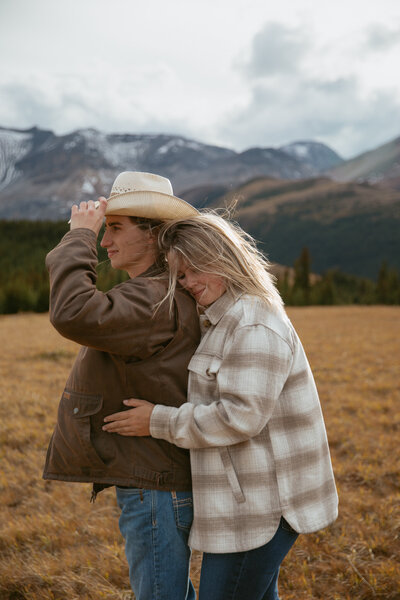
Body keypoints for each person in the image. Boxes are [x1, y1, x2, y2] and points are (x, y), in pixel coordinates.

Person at [103, 212, 339, 600]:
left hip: (264, 507)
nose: (190, 283)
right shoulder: (222, 317)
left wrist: (156, 421)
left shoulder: (252, 325)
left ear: (225, 260)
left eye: (198, 270)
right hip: (245, 503)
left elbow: (239, 417)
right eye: (181, 275)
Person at [43, 171, 201, 600]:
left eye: (115, 228)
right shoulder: (154, 292)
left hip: (153, 482)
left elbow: (72, 311)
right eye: (103, 228)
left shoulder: (153, 298)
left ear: (152, 236)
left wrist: (79, 236)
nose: (105, 240)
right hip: (154, 474)